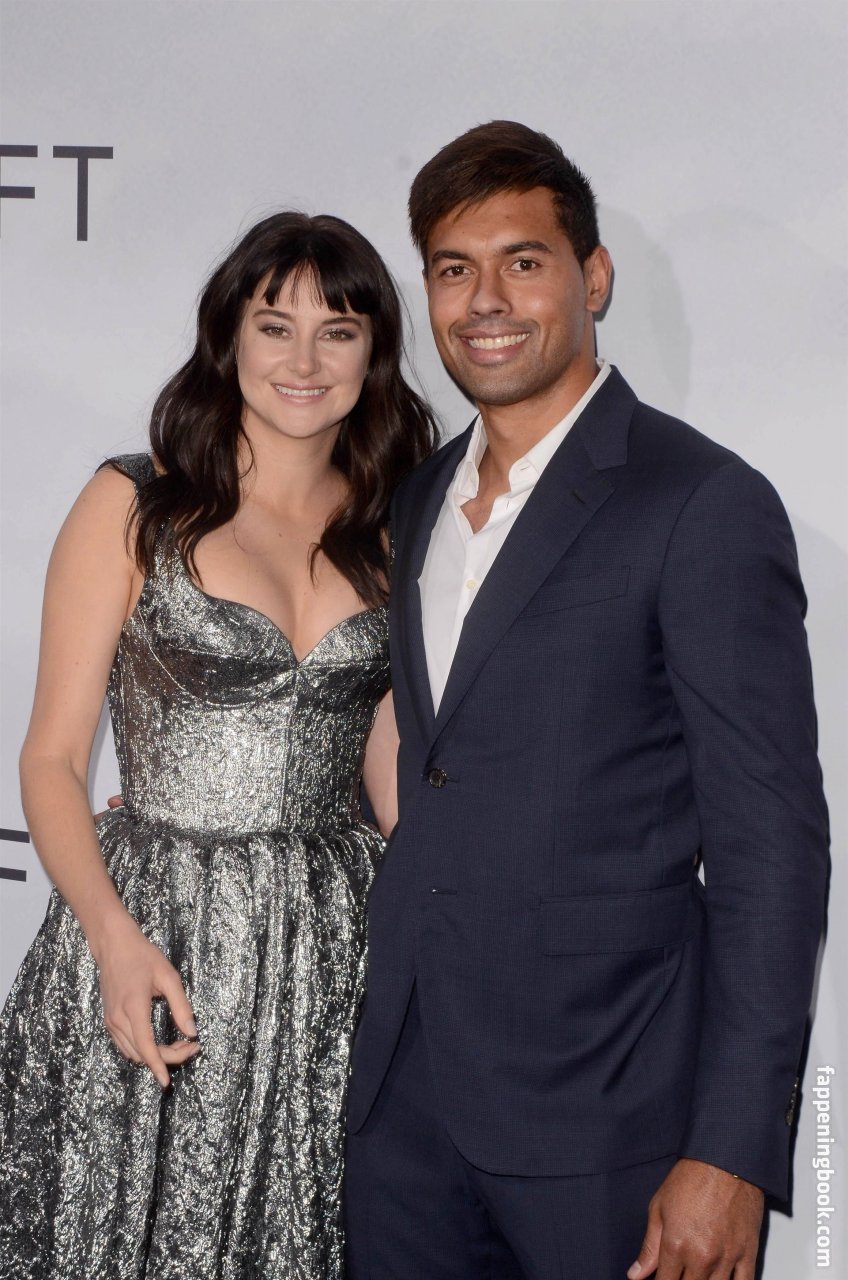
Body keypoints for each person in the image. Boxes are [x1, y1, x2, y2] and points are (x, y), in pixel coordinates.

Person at [344, 121, 830, 1280]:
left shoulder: (697, 500)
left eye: (521, 261)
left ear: (592, 276)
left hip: (612, 1120)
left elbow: (769, 847)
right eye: (452, 269)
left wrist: (729, 1148)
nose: (483, 300)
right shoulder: (416, 497)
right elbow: (430, 762)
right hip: (404, 1113)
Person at [0, 211, 436, 1279]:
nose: (303, 361)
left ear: (374, 352)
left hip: (333, 943)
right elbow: (51, 758)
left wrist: (454, 906)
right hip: (155, 925)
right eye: (273, 326)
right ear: (229, 337)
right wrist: (112, 936)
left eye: (337, 332)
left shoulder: (399, 524)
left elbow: (388, 754)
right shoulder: (136, 504)